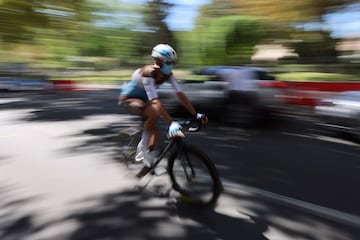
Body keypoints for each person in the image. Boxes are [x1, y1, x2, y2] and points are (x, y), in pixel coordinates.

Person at [118, 43, 207, 167]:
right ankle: (142, 150)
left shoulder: (168, 75)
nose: (172, 66)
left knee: (156, 126)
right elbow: (155, 101)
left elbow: (180, 94)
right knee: (155, 112)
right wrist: (171, 122)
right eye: (169, 62)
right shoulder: (148, 72)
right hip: (130, 98)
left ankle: (150, 151)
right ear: (159, 62)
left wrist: (195, 114)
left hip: (146, 99)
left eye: (173, 62)